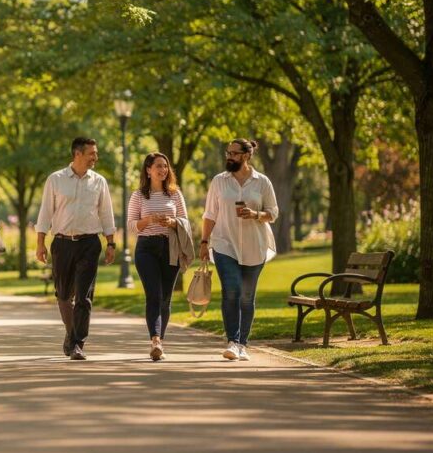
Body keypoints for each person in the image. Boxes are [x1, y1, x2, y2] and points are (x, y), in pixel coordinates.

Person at [35, 137, 117, 361]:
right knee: (63, 295)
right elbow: (45, 213)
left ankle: (78, 343)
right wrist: (40, 242)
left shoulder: (99, 181)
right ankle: (72, 336)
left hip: (89, 243)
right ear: (78, 154)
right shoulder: (56, 179)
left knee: (84, 296)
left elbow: (107, 215)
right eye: (92, 153)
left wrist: (110, 243)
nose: (95, 157)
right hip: (61, 243)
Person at [200, 139, 279, 361]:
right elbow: (209, 214)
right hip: (224, 244)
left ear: (246, 155)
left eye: (234, 153)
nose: (229, 157)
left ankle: (243, 344)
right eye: (228, 153)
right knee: (232, 290)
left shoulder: (262, 182)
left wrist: (255, 215)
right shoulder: (219, 181)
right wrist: (204, 242)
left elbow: (273, 212)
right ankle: (232, 342)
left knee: (246, 297)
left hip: (255, 246)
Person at [126, 152, 193, 361]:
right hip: (146, 248)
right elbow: (131, 226)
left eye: (165, 166)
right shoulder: (139, 195)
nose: (163, 170)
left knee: (165, 298)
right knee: (153, 295)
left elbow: (185, 222)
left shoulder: (175, 194)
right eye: (158, 166)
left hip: (169, 247)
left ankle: (159, 342)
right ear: (148, 170)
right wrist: (148, 220)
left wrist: (172, 223)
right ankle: (155, 340)